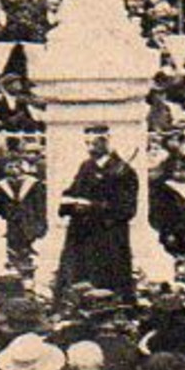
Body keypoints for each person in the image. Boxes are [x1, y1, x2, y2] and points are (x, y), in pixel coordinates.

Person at [58, 127, 138, 299]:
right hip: (81, 234)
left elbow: (127, 208)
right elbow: (72, 191)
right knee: (77, 279)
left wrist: (93, 207)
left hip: (108, 238)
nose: (90, 148)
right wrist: (69, 204)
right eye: (87, 143)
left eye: (95, 143)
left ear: (106, 142)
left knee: (107, 283)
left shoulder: (124, 172)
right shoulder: (86, 167)